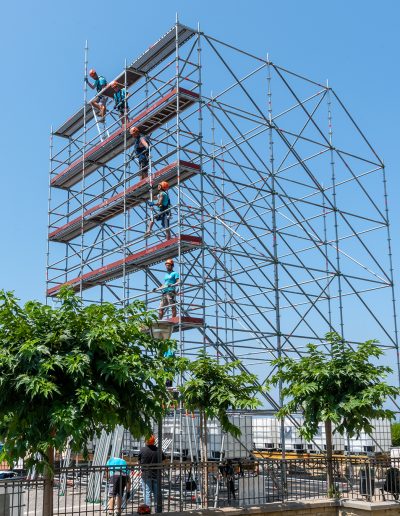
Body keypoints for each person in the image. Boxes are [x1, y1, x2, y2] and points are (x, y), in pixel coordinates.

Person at [138, 436, 165, 513]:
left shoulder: (142, 450)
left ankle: (147, 511)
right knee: (157, 494)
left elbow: (139, 462)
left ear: (146, 441)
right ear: (154, 441)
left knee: (147, 493)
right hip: (157, 474)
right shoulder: (158, 450)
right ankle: (158, 511)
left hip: (146, 474)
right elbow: (164, 460)